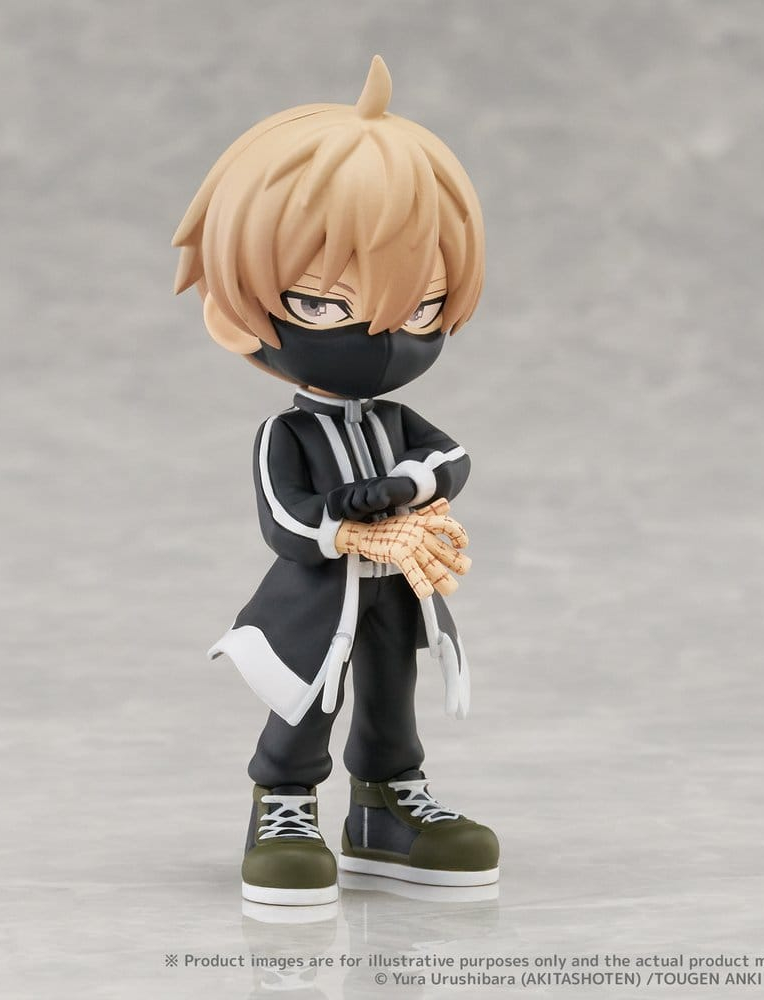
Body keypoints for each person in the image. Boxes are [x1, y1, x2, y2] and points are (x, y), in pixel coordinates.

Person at [173, 56, 499, 905]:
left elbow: (450, 459)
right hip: (318, 601)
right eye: (323, 304)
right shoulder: (287, 432)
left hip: (396, 592)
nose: (383, 336)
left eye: (422, 308)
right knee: (308, 699)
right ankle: (283, 802)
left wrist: (405, 490)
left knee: (393, 693)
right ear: (235, 313)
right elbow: (285, 520)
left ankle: (386, 806)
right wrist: (347, 520)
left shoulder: (397, 422)